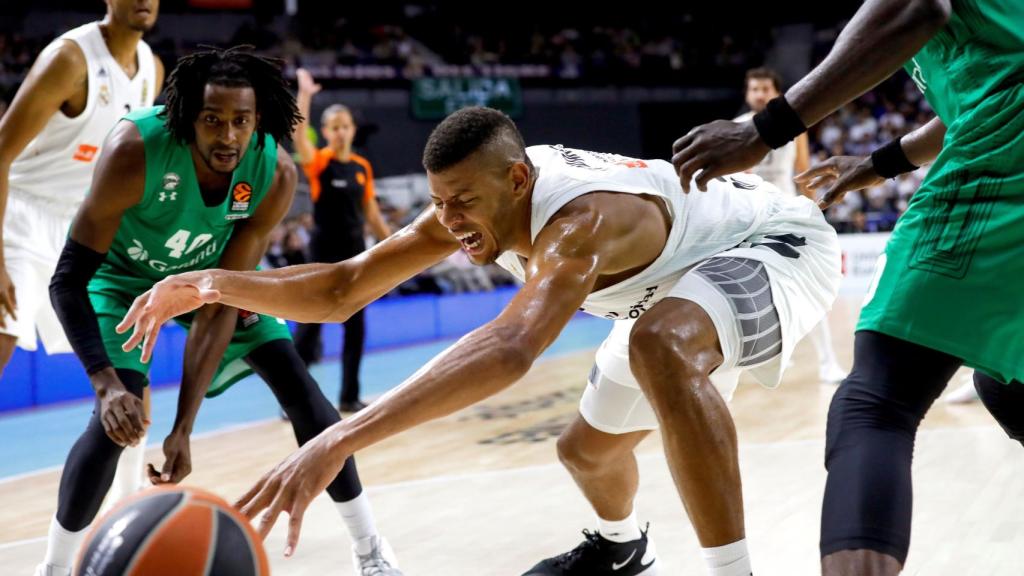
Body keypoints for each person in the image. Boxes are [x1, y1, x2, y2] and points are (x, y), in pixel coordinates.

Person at [119, 106, 842, 575]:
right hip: (671, 285)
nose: (451, 220)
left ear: (518, 179)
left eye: (463, 202)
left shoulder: (578, 222)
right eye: (439, 202)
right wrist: (213, 284)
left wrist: (337, 438)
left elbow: (511, 348)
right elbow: (343, 289)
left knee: (659, 345)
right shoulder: (477, 199)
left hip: (774, 246)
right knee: (583, 452)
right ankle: (620, 551)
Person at [670, 0, 1024, 573]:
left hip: (1007, 157)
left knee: (877, 400)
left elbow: (916, 8)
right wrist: (878, 164)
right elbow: (972, 94)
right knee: (1008, 385)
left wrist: (764, 131)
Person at [38, 47, 402, 576]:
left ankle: (370, 550)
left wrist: (184, 426)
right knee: (112, 426)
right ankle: (53, 569)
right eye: (212, 120)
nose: (227, 136)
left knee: (305, 396)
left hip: (208, 281)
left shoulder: (273, 171)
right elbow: (67, 279)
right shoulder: (133, 150)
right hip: (121, 281)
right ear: (188, 117)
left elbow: (222, 300)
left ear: (258, 122)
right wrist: (106, 384)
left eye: (241, 122)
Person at [0, 0, 163, 511]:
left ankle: (131, 498)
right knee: (2, 336)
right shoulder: (70, 59)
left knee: (129, 350)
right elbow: (1, 153)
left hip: (82, 226)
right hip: (21, 215)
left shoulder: (151, 69)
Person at [734, 66, 846, 384]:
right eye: (754, 88)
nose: (759, 94)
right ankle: (762, 359)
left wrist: (815, 212)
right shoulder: (735, 128)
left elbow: (804, 173)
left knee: (807, 286)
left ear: (777, 93)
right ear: (747, 93)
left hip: (784, 211)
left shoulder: (795, 128)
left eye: (765, 89)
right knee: (746, 290)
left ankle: (827, 362)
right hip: (746, 217)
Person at [290, 68, 391, 413]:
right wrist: (305, 94)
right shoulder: (319, 163)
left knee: (356, 328)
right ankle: (296, 400)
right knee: (309, 328)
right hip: (322, 254)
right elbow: (299, 135)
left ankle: (349, 396)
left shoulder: (362, 166)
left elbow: (373, 216)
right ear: (327, 132)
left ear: (352, 129)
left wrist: (397, 249)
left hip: (355, 255)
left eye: (344, 126)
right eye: (333, 127)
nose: (339, 132)